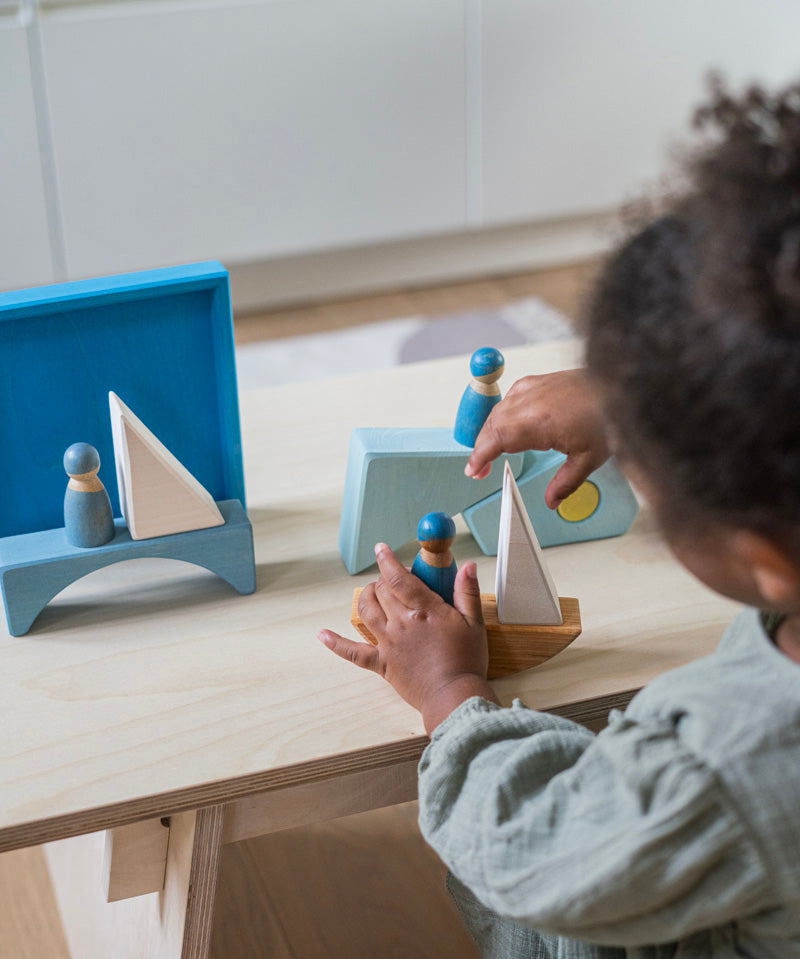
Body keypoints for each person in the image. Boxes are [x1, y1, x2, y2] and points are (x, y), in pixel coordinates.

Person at [318, 79, 800, 957]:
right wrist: (635, 398)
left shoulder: (724, 769)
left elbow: (529, 848)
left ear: (764, 554)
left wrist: (451, 696)